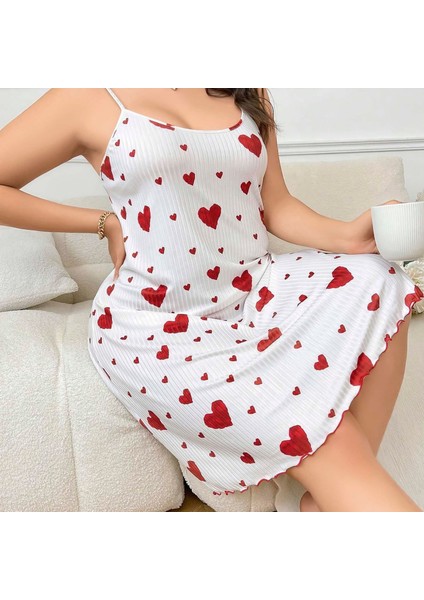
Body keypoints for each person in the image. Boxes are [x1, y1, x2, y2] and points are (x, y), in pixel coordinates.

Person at [0, 88, 422, 512]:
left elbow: (275, 205)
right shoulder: (88, 94)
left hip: (257, 292)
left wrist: (348, 236)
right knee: (325, 437)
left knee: (382, 280)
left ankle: (329, 498)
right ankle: (336, 493)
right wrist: (102, 222)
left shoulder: (246, 89)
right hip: (156, 322)